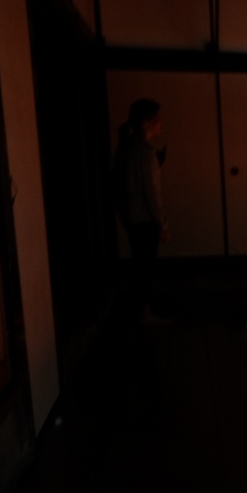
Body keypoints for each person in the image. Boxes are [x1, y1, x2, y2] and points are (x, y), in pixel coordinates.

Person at [113, 98, 169, 326]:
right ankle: (144, 313)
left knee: (139, 265)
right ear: (146, 123)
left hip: (131, 216)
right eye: (157, 119)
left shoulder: (126, 147)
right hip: (145, 218)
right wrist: (162, 223)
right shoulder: (144, 151)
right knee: (145, 266)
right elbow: (151, 192)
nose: (161, 124)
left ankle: (139, 310)